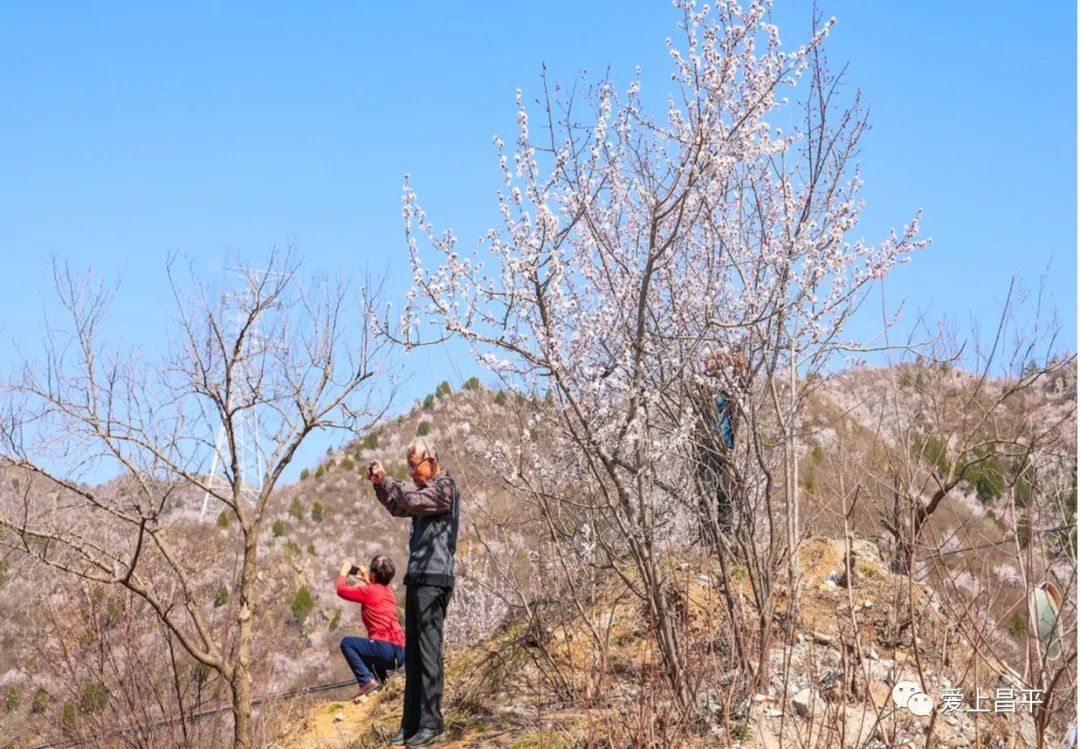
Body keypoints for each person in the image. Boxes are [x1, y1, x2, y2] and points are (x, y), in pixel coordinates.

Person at [368, 436, 459, 748]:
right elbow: (399, 505)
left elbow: (414, 500)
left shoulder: (444, 488)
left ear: (431, 461)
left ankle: (432, 722)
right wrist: (381, 484)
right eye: (408, 468)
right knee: (414, 657)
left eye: (413, 466)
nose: (411, 473)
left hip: (435, 579)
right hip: (417, 578)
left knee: (429, 652)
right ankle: (410, 725)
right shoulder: (420, 491)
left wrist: (392, 481)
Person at [336, 555, 406, 702]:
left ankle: (366, 682)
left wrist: (344, 571)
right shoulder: (389, 593)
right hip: (400, 652)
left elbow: (341, 590)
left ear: (373, 574)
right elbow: (375, 591)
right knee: (369, 650)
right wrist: (367, 579)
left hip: (384, 649)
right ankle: (382, 684)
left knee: (347, 643)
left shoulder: (370, 592)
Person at [695, 348, 744, 540]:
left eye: (718, 358)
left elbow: (742, 387)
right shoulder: (700, 384)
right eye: (710, 359)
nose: (714, 362)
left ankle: (726, 535)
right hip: (705, 446)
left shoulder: (728, 385)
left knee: (725, 493)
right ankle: (707, 540)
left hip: (726, 445)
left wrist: (739, 367)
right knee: (705, 492)